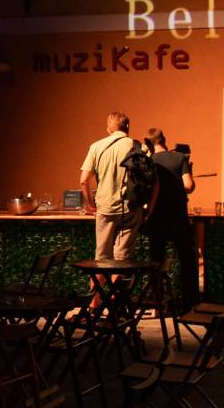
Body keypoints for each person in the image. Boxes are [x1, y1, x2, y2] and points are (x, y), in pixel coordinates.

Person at [144, 129, 198, 309]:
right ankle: (190, 303)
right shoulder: (179, 157)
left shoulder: (149, 161)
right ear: (164, 140)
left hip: (156, 218)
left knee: (156, 262)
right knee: (186, 260)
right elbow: (188, 186)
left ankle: (158, 302)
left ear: (149, 143)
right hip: (178, 217)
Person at [79, 112, 142, 261]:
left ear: (109, 129)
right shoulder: (138, 147)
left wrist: (91, 204)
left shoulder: (96, 147)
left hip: (105, 207)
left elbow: (84, 181)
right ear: (127, 127)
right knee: (122, 257)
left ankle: (100, 276)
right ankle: (119, 277)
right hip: (130, 208)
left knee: (102, 256)